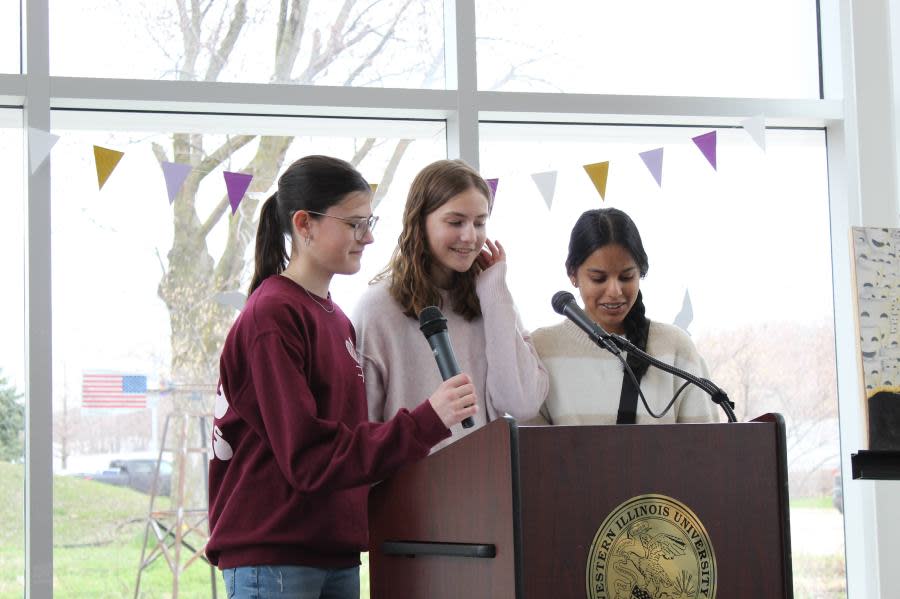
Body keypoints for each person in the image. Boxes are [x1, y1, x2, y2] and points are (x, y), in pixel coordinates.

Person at [206, 155, 478, 599]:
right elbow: (309, 454)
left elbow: (347, 442)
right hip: (276, 555)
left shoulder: (336, 320)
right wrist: (427, 419)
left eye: (369, 222)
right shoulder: (274, 314)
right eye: (355, 224)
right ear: (304, 224)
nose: (368, 237)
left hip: (333, 553)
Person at [353, 159, 548, 451]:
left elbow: (522, 402)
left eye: (479, 222)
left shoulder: (492, 301)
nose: (470, 236)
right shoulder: (378, 309)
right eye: (456, 222)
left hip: (485, 485)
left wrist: (495, 293)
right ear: (420, 222)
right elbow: (364, 428)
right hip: (410, 489)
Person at [530, 208, 718, 425]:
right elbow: (530, 453)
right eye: (599, 278)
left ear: (641, 272)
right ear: (573, 273)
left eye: (626, 277)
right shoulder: (542, 350)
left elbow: (707, 450)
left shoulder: (675, 347)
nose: (615, 291)